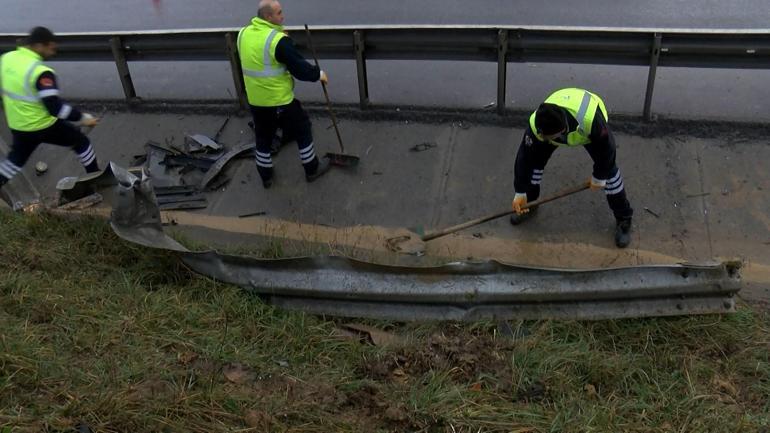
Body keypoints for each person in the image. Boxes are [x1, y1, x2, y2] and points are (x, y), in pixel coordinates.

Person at [511, 88, 634, 248]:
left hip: (587, 132)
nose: (541, 138)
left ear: (561, 130)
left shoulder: (591, 121)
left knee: (610, 174)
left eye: (546, 136)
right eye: (541, 135)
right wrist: (520, 191)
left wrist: (599, 176)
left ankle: (624, 219)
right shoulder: (537, 124)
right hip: (561, 124)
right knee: (533, 164)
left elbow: (607, 150)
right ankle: (529, 203)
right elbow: (524, 159)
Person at [238, 0, 331, 189]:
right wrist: (318, 74)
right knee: (303, 127)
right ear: (268, 17)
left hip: (256, 99)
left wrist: (281, 36)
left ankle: (266, 176)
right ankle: (312, 168)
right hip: (278, 100)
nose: (283, 16)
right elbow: (299, 69)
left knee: (263, 136)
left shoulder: (243, 33)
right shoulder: (277, 41)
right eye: (279, 13)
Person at [0, 27, 100, 192]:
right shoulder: (41, 72)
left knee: (14, 162)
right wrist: (83, 118)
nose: (53, 53)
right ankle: (95, 179)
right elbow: (56, 109)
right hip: (43, 126)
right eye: (51, 48)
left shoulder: (7, 59)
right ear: (39, 46)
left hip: (19, 127)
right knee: (81, 142)